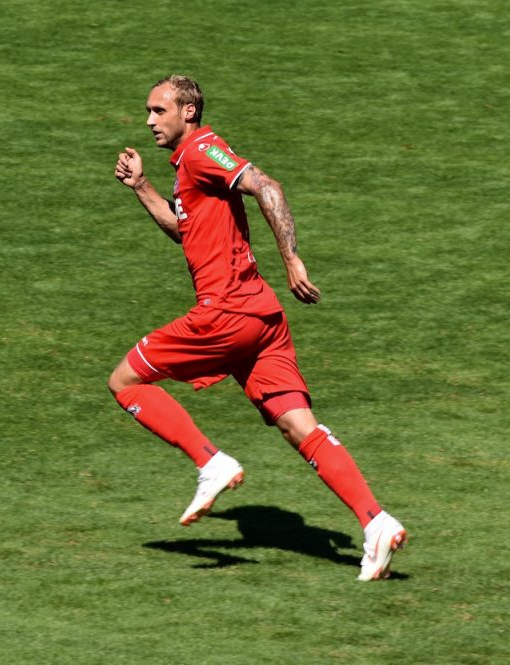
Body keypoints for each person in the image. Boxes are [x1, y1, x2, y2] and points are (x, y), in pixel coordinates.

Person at [110, 75, 406, 581]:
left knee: (125, 381)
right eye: (149, 111)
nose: (149, 121)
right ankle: (376, 522)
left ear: (189, 111)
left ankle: (211, 463)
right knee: (298, 426)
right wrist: (141, 187)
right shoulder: (188, 168)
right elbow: (186, 231)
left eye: (159, 111)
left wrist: (291, 258)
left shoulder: (204, 151)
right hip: (261, 320)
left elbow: (266, 185)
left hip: (225, 314)